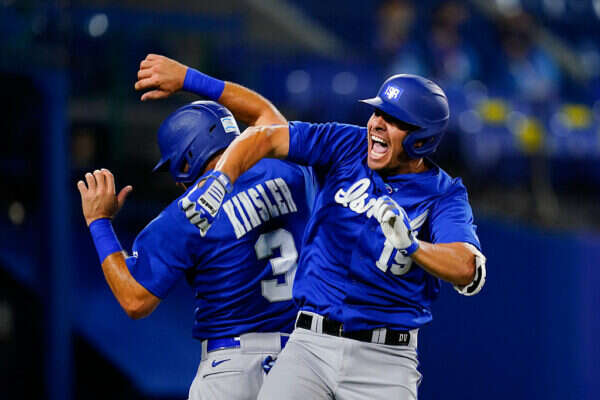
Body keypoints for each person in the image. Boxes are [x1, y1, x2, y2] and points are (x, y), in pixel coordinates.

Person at [157, 60, 487, 398]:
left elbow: (465, 267)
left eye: (393, 120)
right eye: (378, 113)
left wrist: (413, 245)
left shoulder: (443, 194)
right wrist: (220, 179)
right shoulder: (346, 143)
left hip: (386, 360)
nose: (377, 124)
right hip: (310, 346)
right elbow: (265, 135)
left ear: (421, 140)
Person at [77, 97, 316, 399]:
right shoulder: (292, 171)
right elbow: (272, 121)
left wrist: (99, 222)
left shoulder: (187, 213)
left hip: (231, 370)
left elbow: (134, 299)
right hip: (301, 364)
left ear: (187, 159)